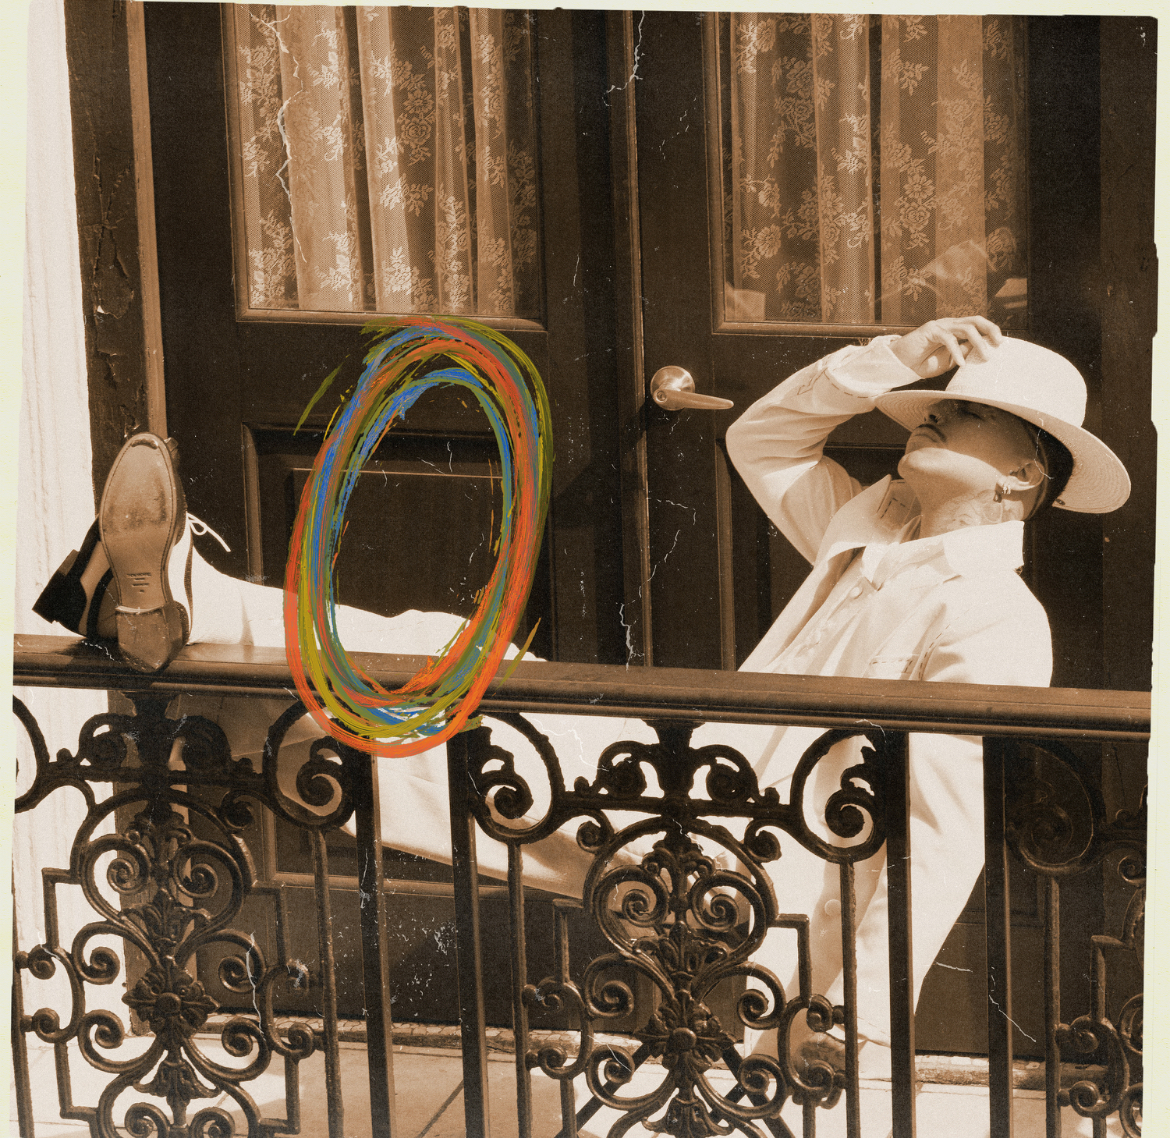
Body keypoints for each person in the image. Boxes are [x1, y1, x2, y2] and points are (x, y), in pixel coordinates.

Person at [32, 315, 1130, 1079]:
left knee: (443, 705)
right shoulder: (872, 527)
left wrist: (862, 1020)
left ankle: (169, 614)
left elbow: (943, 835)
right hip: (673, 784)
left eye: (963, 412)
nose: (928, 414)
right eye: (933, 401)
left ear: (1026, 472)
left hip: (735, 862)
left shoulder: (994, 616)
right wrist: (890, 359)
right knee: (443, 659)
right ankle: (168, 604)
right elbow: (761, 435)